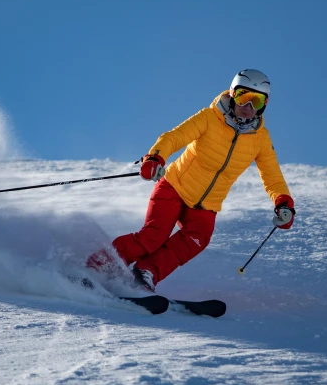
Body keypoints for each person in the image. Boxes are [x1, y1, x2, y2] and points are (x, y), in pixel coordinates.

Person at [87, 69, 295, 291]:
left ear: (265, 104)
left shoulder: (260, 139)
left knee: (197, 239)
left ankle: (145, 273)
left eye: (257, 100)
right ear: (233, 94)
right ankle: (97, 267)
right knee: (153, 236)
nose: (249, 106)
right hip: (175, 187)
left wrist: (283, 202)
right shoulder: (209, 118)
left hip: (207, 205)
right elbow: (174, 137)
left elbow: (272, 174)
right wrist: (155, 158)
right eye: (244, 97)